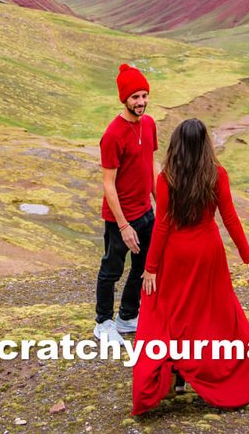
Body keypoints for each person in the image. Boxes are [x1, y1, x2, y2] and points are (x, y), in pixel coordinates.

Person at [131, 117, 249, 415]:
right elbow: (230, 218)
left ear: (177, 145)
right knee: (210, 317)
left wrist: (151, 268)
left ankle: (177, 377)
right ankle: (220, 376)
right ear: (205, 145)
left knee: (173, 315)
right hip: (208, 254)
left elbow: (162, 226)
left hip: (177, 256)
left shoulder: (166, 178)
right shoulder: (216, 174)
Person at [96, 63, 157, 343]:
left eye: (144, 95)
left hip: (147, 212)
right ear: (124, 99)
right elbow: (108, 184)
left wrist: (161, 206)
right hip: (120, 218)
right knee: (112, 269)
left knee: (144, 267)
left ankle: (127, 317)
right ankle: (103, 322)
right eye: (135, 97)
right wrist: (123, 226)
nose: (141, 102)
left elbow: (150, 166)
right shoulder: (113, 135)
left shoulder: (150, 124)